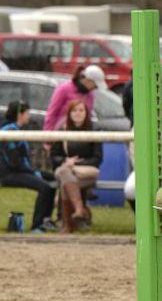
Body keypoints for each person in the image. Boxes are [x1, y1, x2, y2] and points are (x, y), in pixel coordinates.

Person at [0, 101, 57, 233]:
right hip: (8, 174)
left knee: (53, 179)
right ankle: (36, 226)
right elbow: (14, 163)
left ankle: (46, 220)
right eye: (27, 113)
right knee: (45, 187)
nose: (29, 116)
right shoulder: (8, 132)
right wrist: (33, 172)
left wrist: (33, 171)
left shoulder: (17, 129)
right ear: (19, 115)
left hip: (20, 170)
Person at [51, 98, 103, 232]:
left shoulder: (94, 131)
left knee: (65, 181)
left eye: (81, 110)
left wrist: (76, 164)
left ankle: (67, 224)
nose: (78, 113)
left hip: (86, 172)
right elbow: (54, 156)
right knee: (65, 173)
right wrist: (65, 161)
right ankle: (80, 211)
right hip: (64, 169)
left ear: (86, 112)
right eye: (74, 110)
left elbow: (97, 158)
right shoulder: (62, 130)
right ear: (69, 113)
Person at [45, 64, 104, 132]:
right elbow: (52, 113)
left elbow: (87, 117)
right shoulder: (64, 89)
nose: (95, 88)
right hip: (62, 132)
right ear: (88, 80)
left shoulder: (90, 96)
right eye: (95, 86)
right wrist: (48, 135)